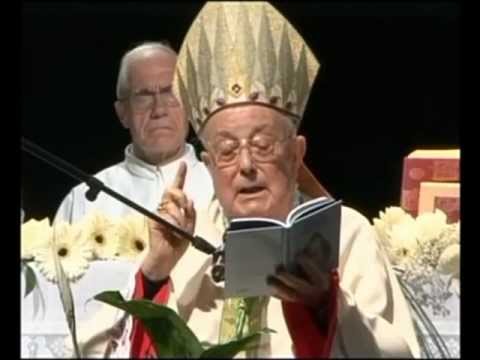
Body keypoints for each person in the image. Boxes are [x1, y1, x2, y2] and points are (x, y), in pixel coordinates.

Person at [72, 3, 421, 358]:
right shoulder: (189, 244)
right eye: (226, 150)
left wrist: (322, 305)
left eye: (263, 145)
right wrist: (155, 273)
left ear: (297, 153)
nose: (246, 165)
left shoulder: (345, 233)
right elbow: (89, 351)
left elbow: (395, 351)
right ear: (206, 165)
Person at [55, 42, 214, 223]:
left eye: (170, 92)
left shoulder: (223, 187)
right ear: (122, 113)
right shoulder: (85, 200)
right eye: (143, 96)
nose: (159, 110)